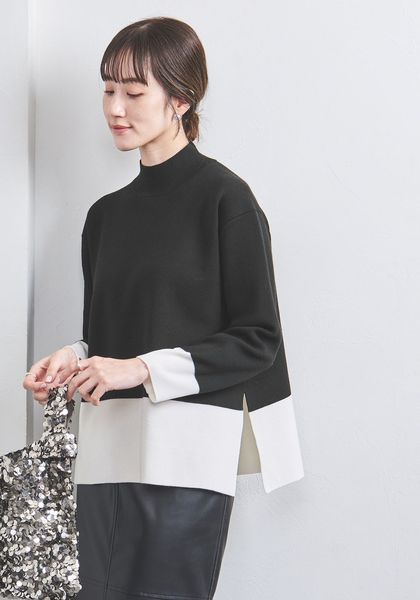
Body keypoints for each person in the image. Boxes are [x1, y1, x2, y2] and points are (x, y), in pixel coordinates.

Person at [23, 16, 304, 600]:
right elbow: (110, 333)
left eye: (133, 92)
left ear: (181, 99)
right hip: (103, 452)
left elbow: (257, 339)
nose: (114, 108)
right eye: (108, 90)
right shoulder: (105, 216)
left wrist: (139, 369)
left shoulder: (226, 200)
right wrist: (74, 357)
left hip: (185, 455)